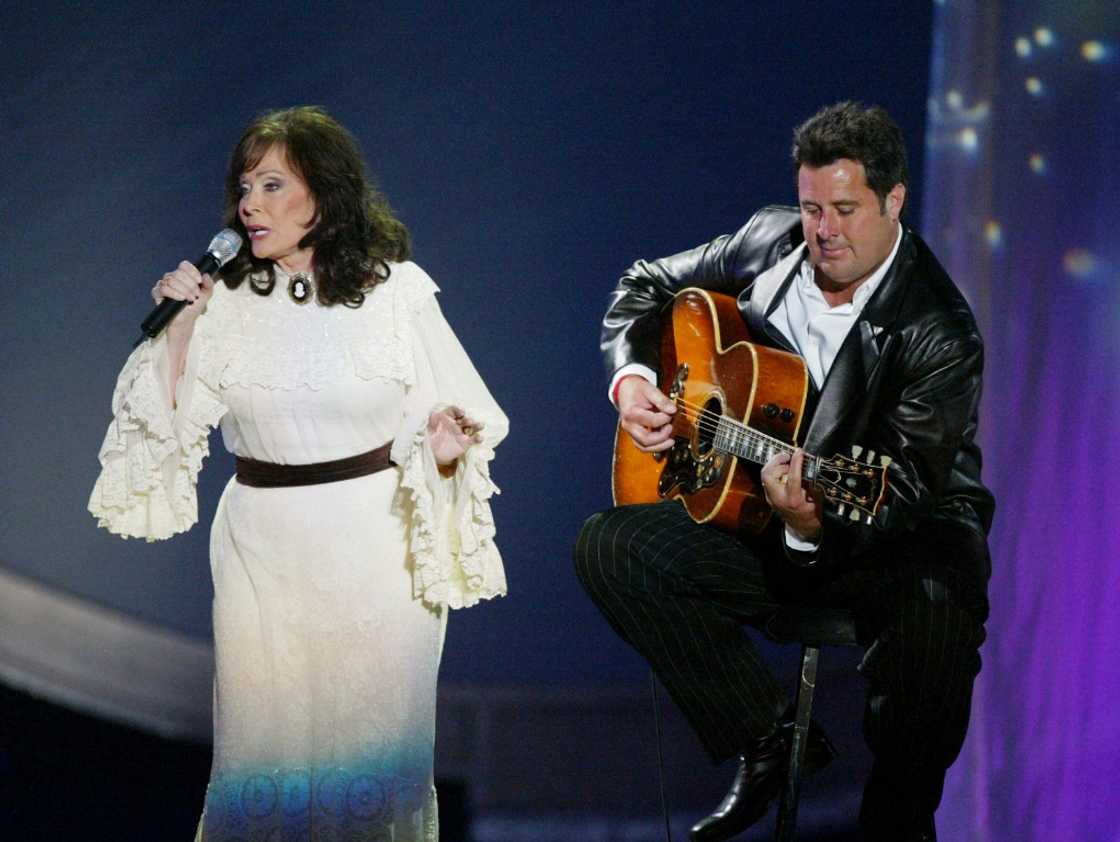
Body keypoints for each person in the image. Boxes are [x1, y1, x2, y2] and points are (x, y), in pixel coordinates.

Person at [574, 101, 993, 842]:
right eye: (811, 207)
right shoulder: (770, 239)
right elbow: (641, 287)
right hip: (762, 510)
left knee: (935, 608)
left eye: (843, 209)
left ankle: (897, 824)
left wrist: (810, 521)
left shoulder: (938, 331)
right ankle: (764, 738)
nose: (823, 229)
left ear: (894, 201)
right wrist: (634, 382)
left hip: (891, 534)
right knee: (609, 545)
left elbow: (901, 487)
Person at [88, 106, 508, 841]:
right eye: (244, 187)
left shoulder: (394, 292)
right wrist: (181, 325)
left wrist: (442, 449)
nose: (250, 204)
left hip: (378, 549)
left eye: (273, 184)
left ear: (323, 191)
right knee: (264, 764)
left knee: (372, 770)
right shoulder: (223, 304)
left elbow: (461, 418)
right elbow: (165, 425)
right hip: (262, 549)